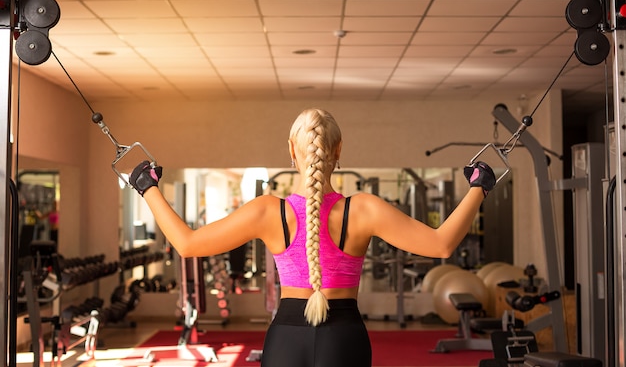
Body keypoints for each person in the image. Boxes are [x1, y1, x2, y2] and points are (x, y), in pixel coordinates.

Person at [129, 108, 496, 367]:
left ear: (292, 152)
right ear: (338, 151)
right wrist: (479, 188)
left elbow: (188, 244)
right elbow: (441, 244)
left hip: (286, 337)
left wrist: (147, 188)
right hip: (345, 336)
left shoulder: (267, 211)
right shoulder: (364, 208)